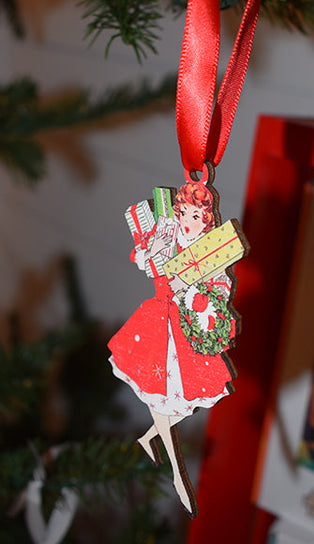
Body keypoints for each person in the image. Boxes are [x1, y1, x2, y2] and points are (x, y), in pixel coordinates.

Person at [108, 181, 235, 516]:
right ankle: (178, 473)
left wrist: (199, 295)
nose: (190, 220)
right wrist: (149, 252)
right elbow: (143, 259)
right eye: (185, 213)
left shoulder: (211, 251)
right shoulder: (168, 237)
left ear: (207, 219)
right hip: (156, 321)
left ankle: (151, 438)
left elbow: (219, 290)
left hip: (186, 328)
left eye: (197, 215)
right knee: (160, 392)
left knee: (179, 399)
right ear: (177, 213)